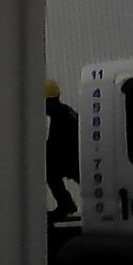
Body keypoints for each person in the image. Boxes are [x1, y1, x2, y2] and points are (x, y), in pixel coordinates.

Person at [45, 78, 80, 221]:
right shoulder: (64, 110)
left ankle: (66, 204)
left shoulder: (58, 115)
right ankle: (66, 204)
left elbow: (55, 142)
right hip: (75, 155)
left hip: (70, 157)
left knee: (50, 171)